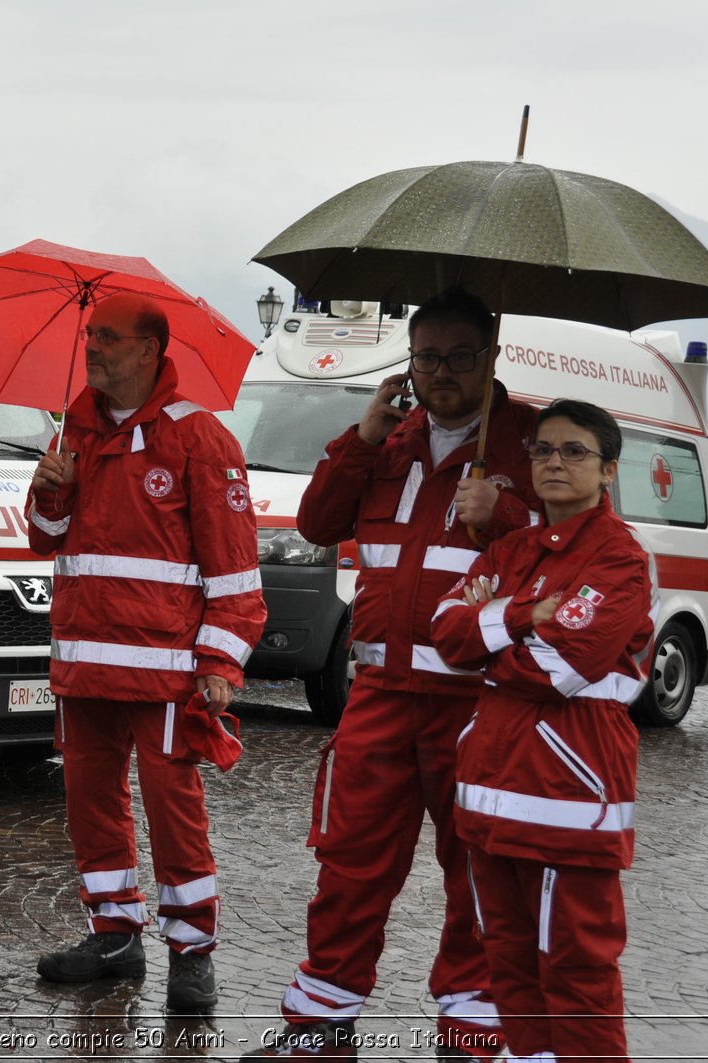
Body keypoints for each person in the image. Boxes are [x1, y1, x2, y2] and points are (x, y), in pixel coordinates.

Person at [251, 288, 538, 1059]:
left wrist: (505, 511)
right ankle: (320, 1024)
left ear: (491, 356)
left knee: (479, 868)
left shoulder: (534, 444)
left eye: (460, 356)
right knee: (349, 862)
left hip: (478, 698)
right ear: (409, 359)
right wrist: (361, 438)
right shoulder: (391, 437)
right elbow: (315, 522)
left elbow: (578, 546)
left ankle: (473, 1031)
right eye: (428, 356)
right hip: (378, 693)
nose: (442, 372)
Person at [26, 292, 266, 1014]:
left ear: (149, 351)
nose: (92, 346)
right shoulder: (74, 430)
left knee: (173, 814)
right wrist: (48, 493)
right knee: (90, 808)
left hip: (164, 673)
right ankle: (114, 935)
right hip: (84, 668)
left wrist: (221, 665)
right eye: (90, 334)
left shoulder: (201, 440)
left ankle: (191, 951)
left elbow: (235, 575)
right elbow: (45, 539)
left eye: (108, 337)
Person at [430, 400, 651, 1063]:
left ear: (609, 469)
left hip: (568, 808)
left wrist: (491, 632)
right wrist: (525, 613)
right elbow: (445, 632)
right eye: (543, 449)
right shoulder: (512, 549)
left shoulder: (620, 558)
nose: (555, 461)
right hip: (490, 809)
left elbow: (562, 666)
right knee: (513, 978)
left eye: (575, 450)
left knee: (578, 981)